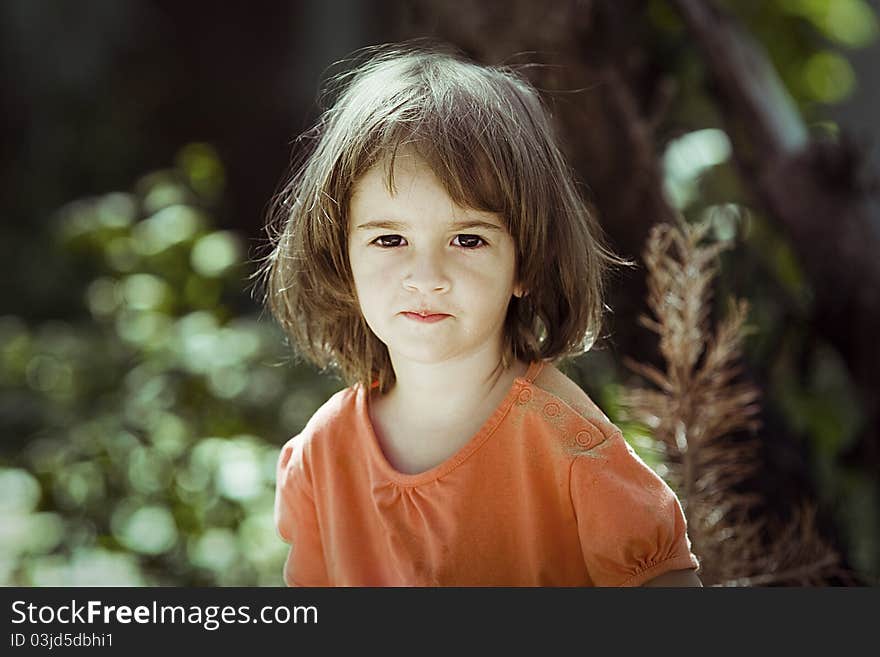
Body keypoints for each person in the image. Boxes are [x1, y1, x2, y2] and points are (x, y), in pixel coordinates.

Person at [257, 41, 702, 586]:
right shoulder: (323, 455)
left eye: (467, 239)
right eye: (390, 239)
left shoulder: (567, 444)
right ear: (341, 255)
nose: (426, 276)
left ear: (525, 263)